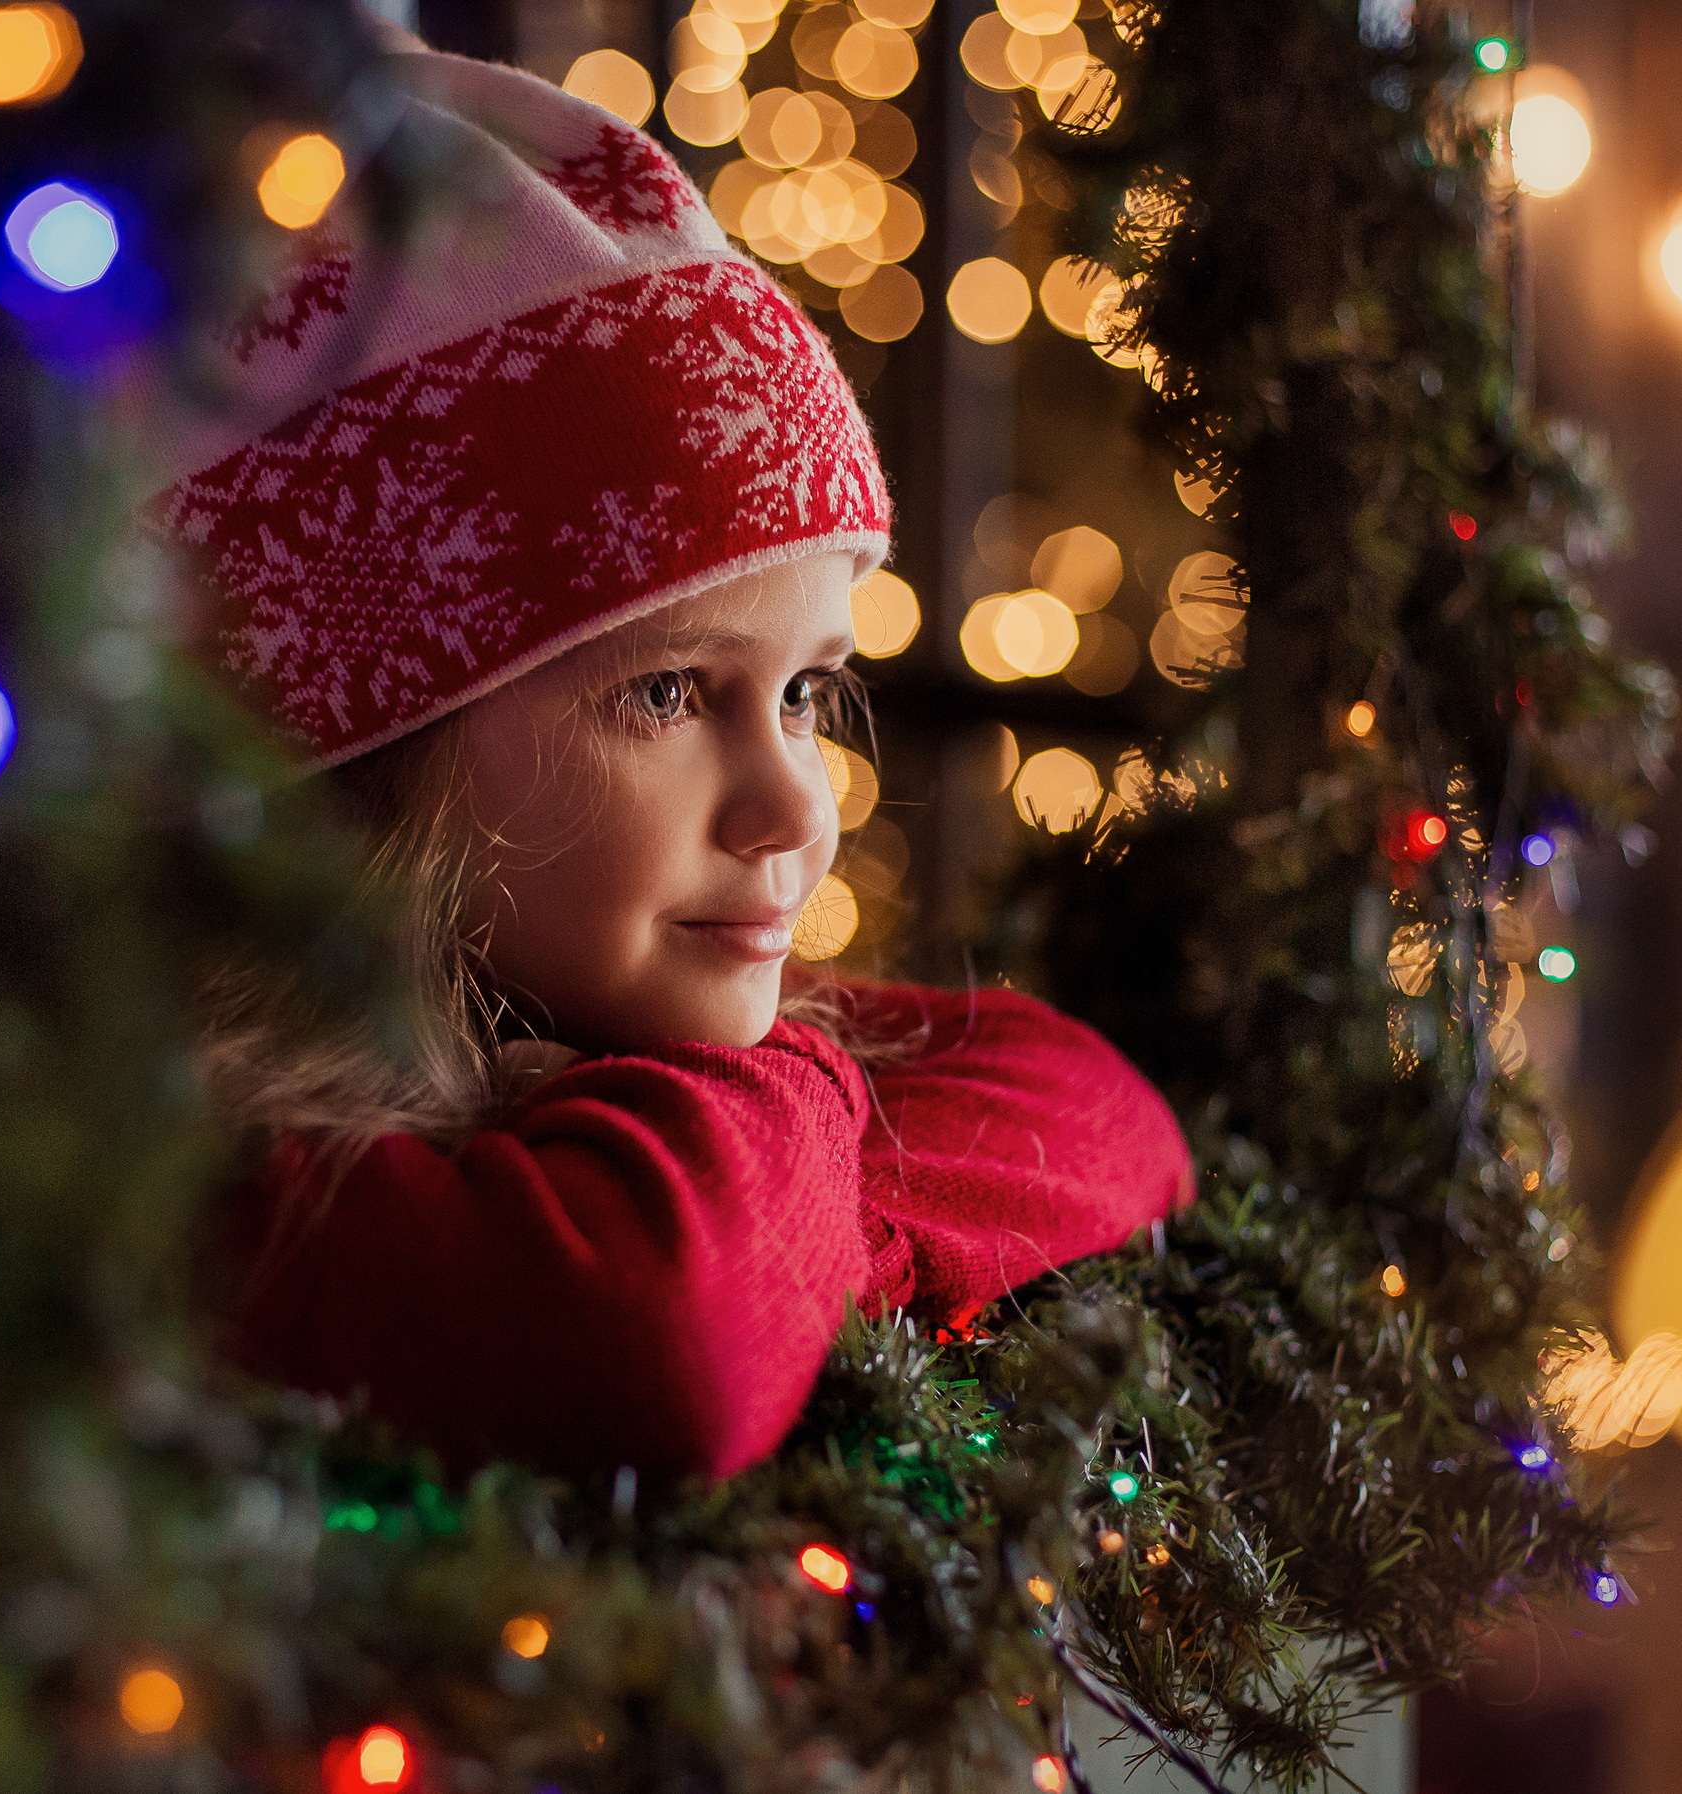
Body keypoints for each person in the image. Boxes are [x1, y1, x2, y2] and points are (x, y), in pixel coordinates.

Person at [148, 44, 1190, 1484]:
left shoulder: (558, 992)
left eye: (809, 693)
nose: (795, 809)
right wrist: (788, 1197)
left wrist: (784, 1197)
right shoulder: (199, 1172)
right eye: (666, 691)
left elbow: (1092, 1105)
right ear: (362, 745)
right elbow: (650, 1326)